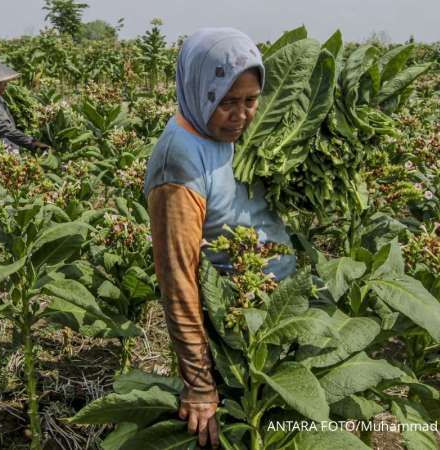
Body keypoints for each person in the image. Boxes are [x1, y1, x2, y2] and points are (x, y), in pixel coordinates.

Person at [143, 28, 296, 448]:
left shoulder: (231, 135)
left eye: (250, 101)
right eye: (227, 102)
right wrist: (199, 382)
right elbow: (178, 279)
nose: (242, 116)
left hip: (272, 310)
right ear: (198, 90)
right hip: (234, 332)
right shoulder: (180, 163)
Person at [0, 58, 48, 154]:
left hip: (4, 150)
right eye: (3, 83)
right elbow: (8, 131)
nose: (6, 86)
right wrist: (34, 144)